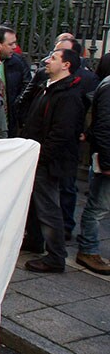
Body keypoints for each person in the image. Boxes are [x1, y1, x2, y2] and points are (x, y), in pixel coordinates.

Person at [22, 49, 87, 273]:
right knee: (37, 203)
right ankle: (34, 240)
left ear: (66, 65)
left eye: (53, 58)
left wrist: (41, 157)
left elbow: (61, 133)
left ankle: (56, 256)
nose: (47, 61)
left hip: (49, 162)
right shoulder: (50, 88)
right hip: (41, 157)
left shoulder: (67, 95)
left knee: (49, 207)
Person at [76, 70, 110, 275]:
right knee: (98, 205)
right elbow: (103, 125)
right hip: (107, 159)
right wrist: (106, 162)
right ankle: (88, 249)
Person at [0, 26, 29, 134]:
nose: (15, 47)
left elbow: (27, 86)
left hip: (10, 121)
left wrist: (17, 105)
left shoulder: (18, 62)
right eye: (10, 44)